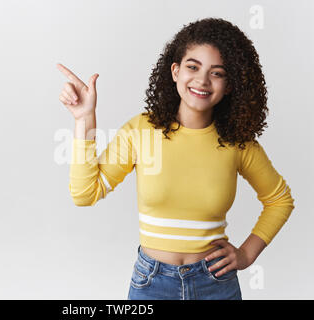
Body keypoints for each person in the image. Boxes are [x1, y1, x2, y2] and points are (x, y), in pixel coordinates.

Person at [57, 17, 295, 300]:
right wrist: (85, 118)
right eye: (193, 67)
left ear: (229, 85)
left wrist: (246, 254)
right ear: (175, 71)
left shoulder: (238, 144)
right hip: (152, 284)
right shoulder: (141, 131)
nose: (202, 80)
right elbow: (85, 194)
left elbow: (279, 200)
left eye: (217, 73)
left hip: (216, 284)